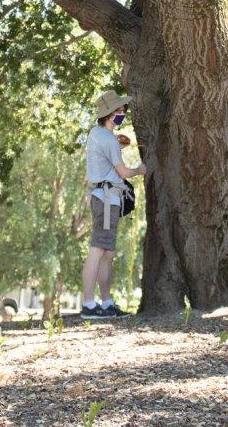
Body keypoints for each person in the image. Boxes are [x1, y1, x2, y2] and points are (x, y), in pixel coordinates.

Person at [81, 90, 146, 319]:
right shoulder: (107, 138)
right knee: (98, 249)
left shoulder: (98, 135)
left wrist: (117, 149)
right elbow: (124, 172)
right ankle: (89, 305)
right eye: (118, 111)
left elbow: (105, 161)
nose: (122, 114)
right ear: (108, 114)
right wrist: (141, 170)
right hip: (107, 199)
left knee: (107, 253)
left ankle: (106, 303)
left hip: (105, 198)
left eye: (123, 110)